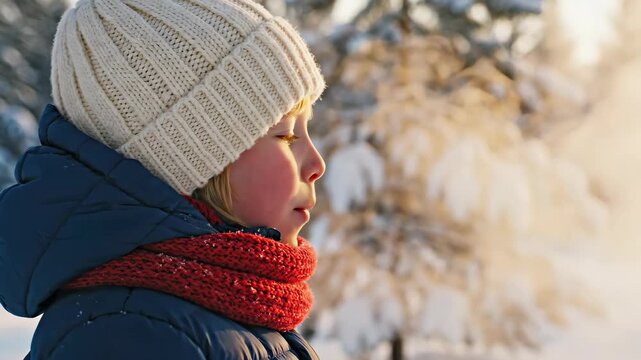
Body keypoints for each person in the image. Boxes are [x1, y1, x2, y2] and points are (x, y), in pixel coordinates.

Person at [0, 0, 326, 358]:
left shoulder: (222, 302)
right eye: (286, 135)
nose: (316, 163)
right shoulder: (127, 335)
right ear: (194, 155)